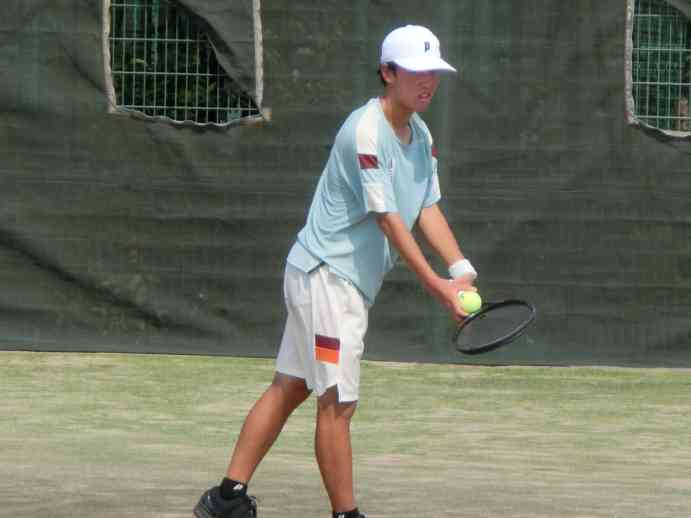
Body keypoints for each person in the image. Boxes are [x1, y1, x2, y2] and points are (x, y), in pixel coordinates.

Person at [193, 24, 477, 518]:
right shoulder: (365, 132)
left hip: (327, 279)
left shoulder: (420, 135)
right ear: (388, 73)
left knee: (291, 386)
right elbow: (389, 219)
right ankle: (346, 515)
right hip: (328, 280)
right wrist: (437, 286)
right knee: (338, 402)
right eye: (416, 72)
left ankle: (226, 498)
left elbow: (426, 206)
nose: (428, 81)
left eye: (433, 72)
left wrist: (460, 268)